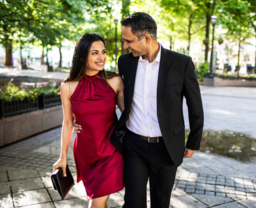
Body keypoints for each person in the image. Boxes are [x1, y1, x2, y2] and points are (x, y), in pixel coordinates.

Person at [74, 12, 204, 208]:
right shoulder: (125, 62)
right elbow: (107, 90)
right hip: (134, 145)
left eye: (129, 41)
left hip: (167, 147)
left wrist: (193, 142)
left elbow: (195, 106)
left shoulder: (181, 63)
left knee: (161, 202)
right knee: (133, 203)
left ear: (147, 38)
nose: (125, 46)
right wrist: (80, 118)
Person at [53, 33, 124, 208]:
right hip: (86, 153)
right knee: (99, 200)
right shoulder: (67, 86)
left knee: (96, 204)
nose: (102, 57)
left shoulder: (114, 81)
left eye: (103, 51)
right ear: (82, 55)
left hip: (111, 150)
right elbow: (68, 122)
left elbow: (130, 115)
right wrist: (63, 157)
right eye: (94, 53)